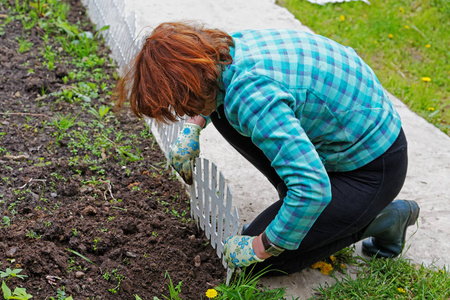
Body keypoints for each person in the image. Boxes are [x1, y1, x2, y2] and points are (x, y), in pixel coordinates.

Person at [114, 22, 419, 274]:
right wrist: (192, 128)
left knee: (259, 266)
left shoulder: (253, 98)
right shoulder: (224, 54)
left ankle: (384, 219)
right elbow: (210, 92)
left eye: (182, 105)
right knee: (220, 110)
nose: (180, 112)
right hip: (340, 142)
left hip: (369, 169)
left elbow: (312, 189)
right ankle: (311, 211)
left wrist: (261, 246)